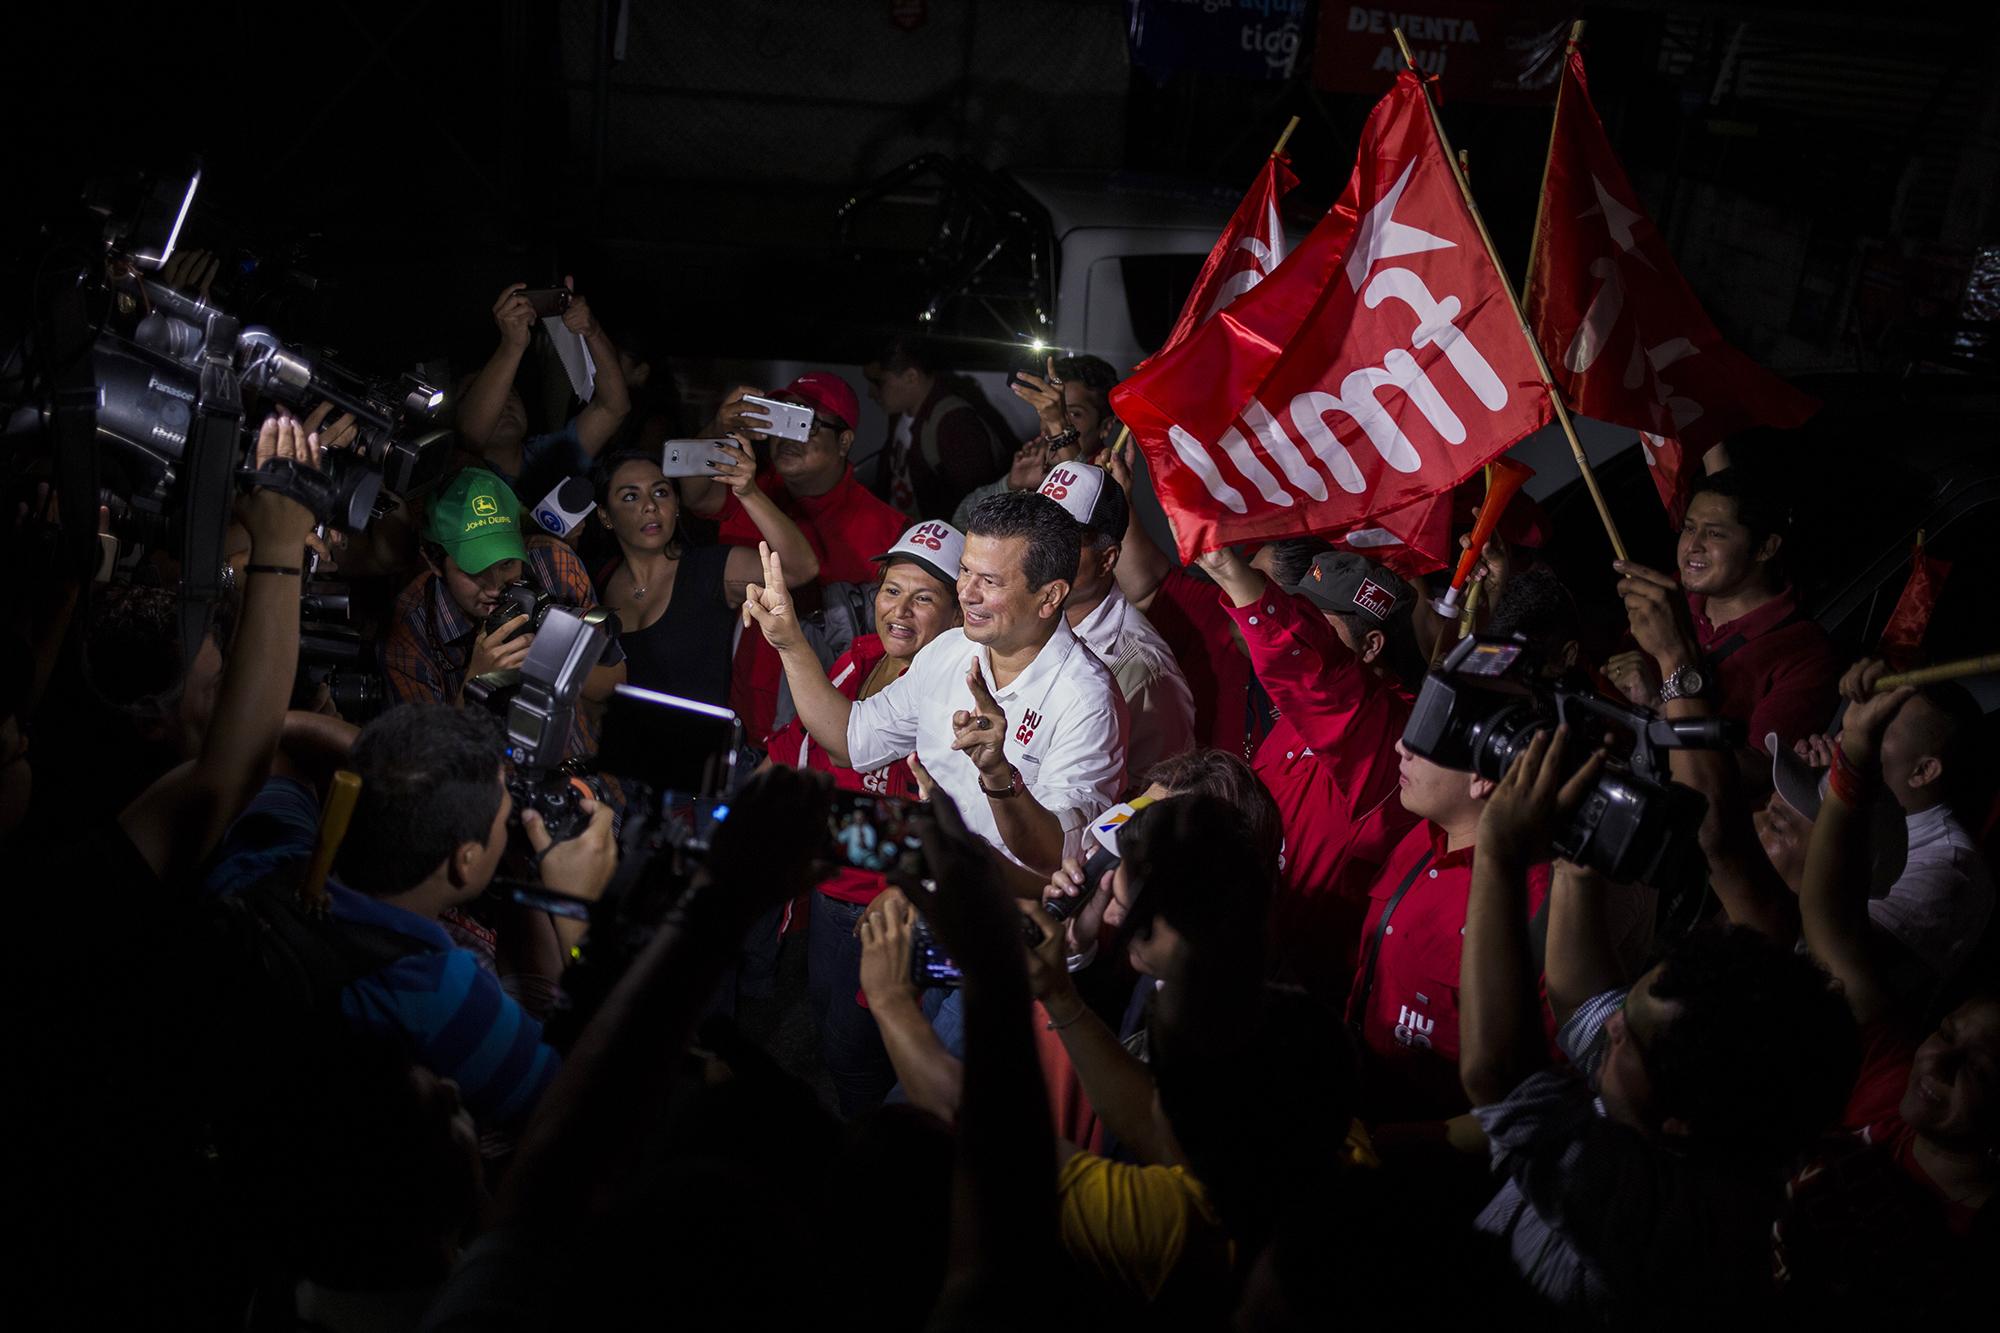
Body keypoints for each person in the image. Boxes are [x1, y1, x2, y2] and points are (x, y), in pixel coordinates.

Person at [1457, 728, 1861, 1320]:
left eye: (1629, 1037)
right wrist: (1580, 857)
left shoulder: (1682, 1224)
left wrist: (1499, 854)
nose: (1613, 1027)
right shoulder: (1671, 1100)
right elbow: (1585, 1004)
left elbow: (1501, 1077)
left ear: (1681, 1120)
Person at [206, 704, 618, 1130]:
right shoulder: (434, 996)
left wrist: (403, 779)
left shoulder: (261, 864)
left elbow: (279, 738)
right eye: (506, 811)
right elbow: (589, 1102)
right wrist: (581, 912)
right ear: (466, 861)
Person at [745, 490, 1125, 874]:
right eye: (965, 571)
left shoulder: (1086, 699)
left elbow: (1057, 857)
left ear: (1049, 596)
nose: (967, 594)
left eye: (989, 581)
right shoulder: (948, 650)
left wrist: (997, 774)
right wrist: (788, 641)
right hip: (926, 895)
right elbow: (852, 740)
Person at [765, 520, 965, 1114]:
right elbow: (805, 737)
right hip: (829, 892)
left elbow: (940, 831)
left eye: (925, 597)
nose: (899, 611)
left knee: (858, 1055)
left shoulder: (952, 703)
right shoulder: (862, 655)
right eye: (891, 590)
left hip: (884, 912)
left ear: (958, 616)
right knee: (825, 1020)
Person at [1195, 545, 1423, 999]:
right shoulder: (1297, 715)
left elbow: (1317, 674)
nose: (1300, 628)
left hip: (1308, 993)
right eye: (1298, 612)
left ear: (1372, 645)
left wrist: (1233, 576)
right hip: (1249, 958)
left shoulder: (1394, 729)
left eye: (1315, 622)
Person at [678, 373, 908, 740]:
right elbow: (692, 493)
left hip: (836, 716)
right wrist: (718, 426)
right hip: (742, 700)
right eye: (784, 421)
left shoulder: (889, 530)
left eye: (807, 425)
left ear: (844, 441)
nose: (789, 437)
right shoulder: (750, 486)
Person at [1605, 467, 1839, 763]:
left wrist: (1660, 705)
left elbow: (1758, 770)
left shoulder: (1803, 649)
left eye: (1714, 534)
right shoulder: (1671, 598)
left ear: (1766, 548)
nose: (1692, 546)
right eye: (1689, 528)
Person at [382, 469, 625, 752]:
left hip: (581, 772)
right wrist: (476, 685)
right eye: (475, 570)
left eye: (507, 563)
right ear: (434, 563)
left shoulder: (553, 563)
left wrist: (546, 660)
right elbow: (425, 764)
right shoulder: (409, 629)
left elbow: (615, 681)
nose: (495, 586)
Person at [589, 445, 818, 708]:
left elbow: (801, 568)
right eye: (630, 497)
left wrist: (749, 492)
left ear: (676, 504)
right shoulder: (595, 580)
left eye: (661, 492)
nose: (650, 506)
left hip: (703, 745)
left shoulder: (711, 568)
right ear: (605, 516)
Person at [1033, 462, 1193, 778]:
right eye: (1036, 534)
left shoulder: (1142, 670)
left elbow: (1158, 797)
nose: (1041, 553)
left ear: (1107, 559)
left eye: (1064, 541)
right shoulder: (1025, 613)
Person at [455, 279, 632, 503]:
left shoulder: (550, 455)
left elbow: (614, 408)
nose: (505, 402)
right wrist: (512, 345)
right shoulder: (457, 476)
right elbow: (471, 436)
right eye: (476, 393)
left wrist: (593, 331)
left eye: (511, 392)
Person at [951, 354, 1121, 530]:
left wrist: (1060, 428)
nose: (1050, 422)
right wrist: (1009, 486)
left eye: (1074, 414)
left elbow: (1088, 516)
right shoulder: (1036, 464)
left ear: (1106, 426)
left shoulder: (1112, 484)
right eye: (1048, 408)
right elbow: (959, 522)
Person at [866, 334, 1007, 520]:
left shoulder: (955, 424)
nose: (870, 393)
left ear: (911, 377)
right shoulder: (900, 413)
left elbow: (975, 506)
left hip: (932, 541)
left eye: (879, 382)